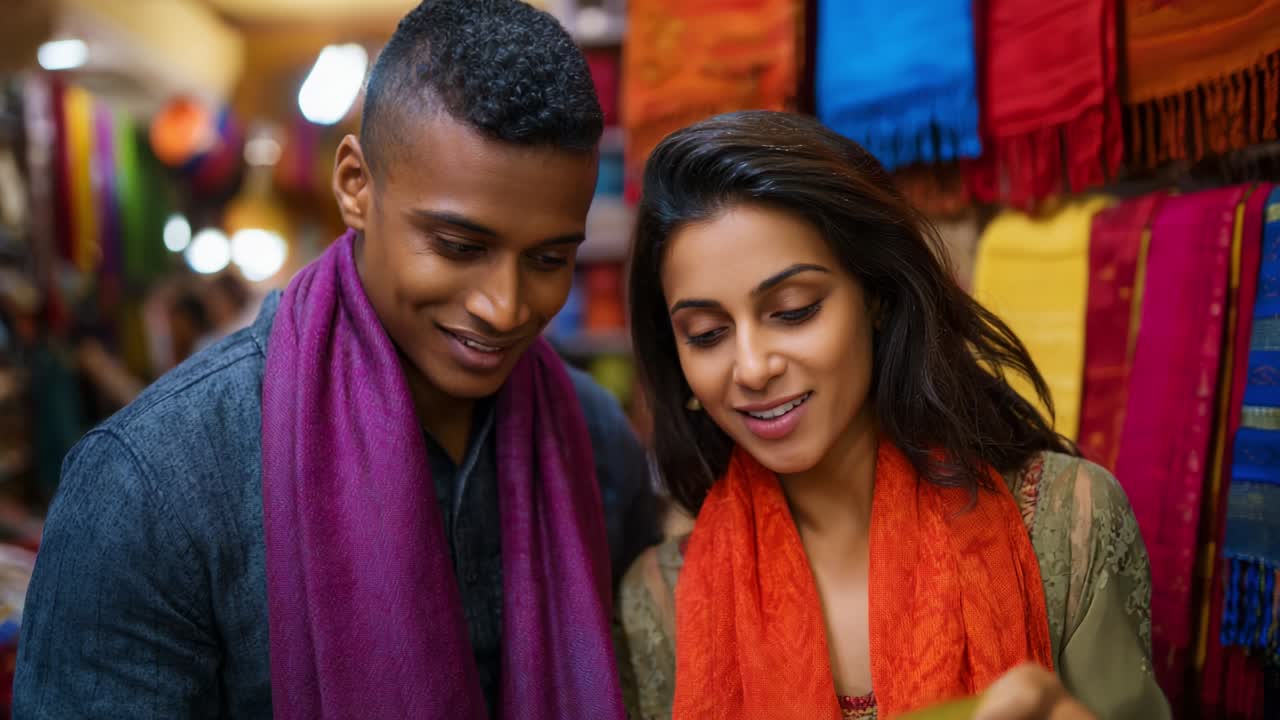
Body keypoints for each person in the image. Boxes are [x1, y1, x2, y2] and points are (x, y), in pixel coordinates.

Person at [16, 2, 658, 718]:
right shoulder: (152, 485)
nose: (504, 307)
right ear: (356, 184)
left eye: (548, 259)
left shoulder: (600, 448)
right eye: (458, 246)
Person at [615, 111, 1169, 720]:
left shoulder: (1069, 525)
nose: (750, 367)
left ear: (877, 297)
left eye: (794, 310)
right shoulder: (663, 601)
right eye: (707, 333)